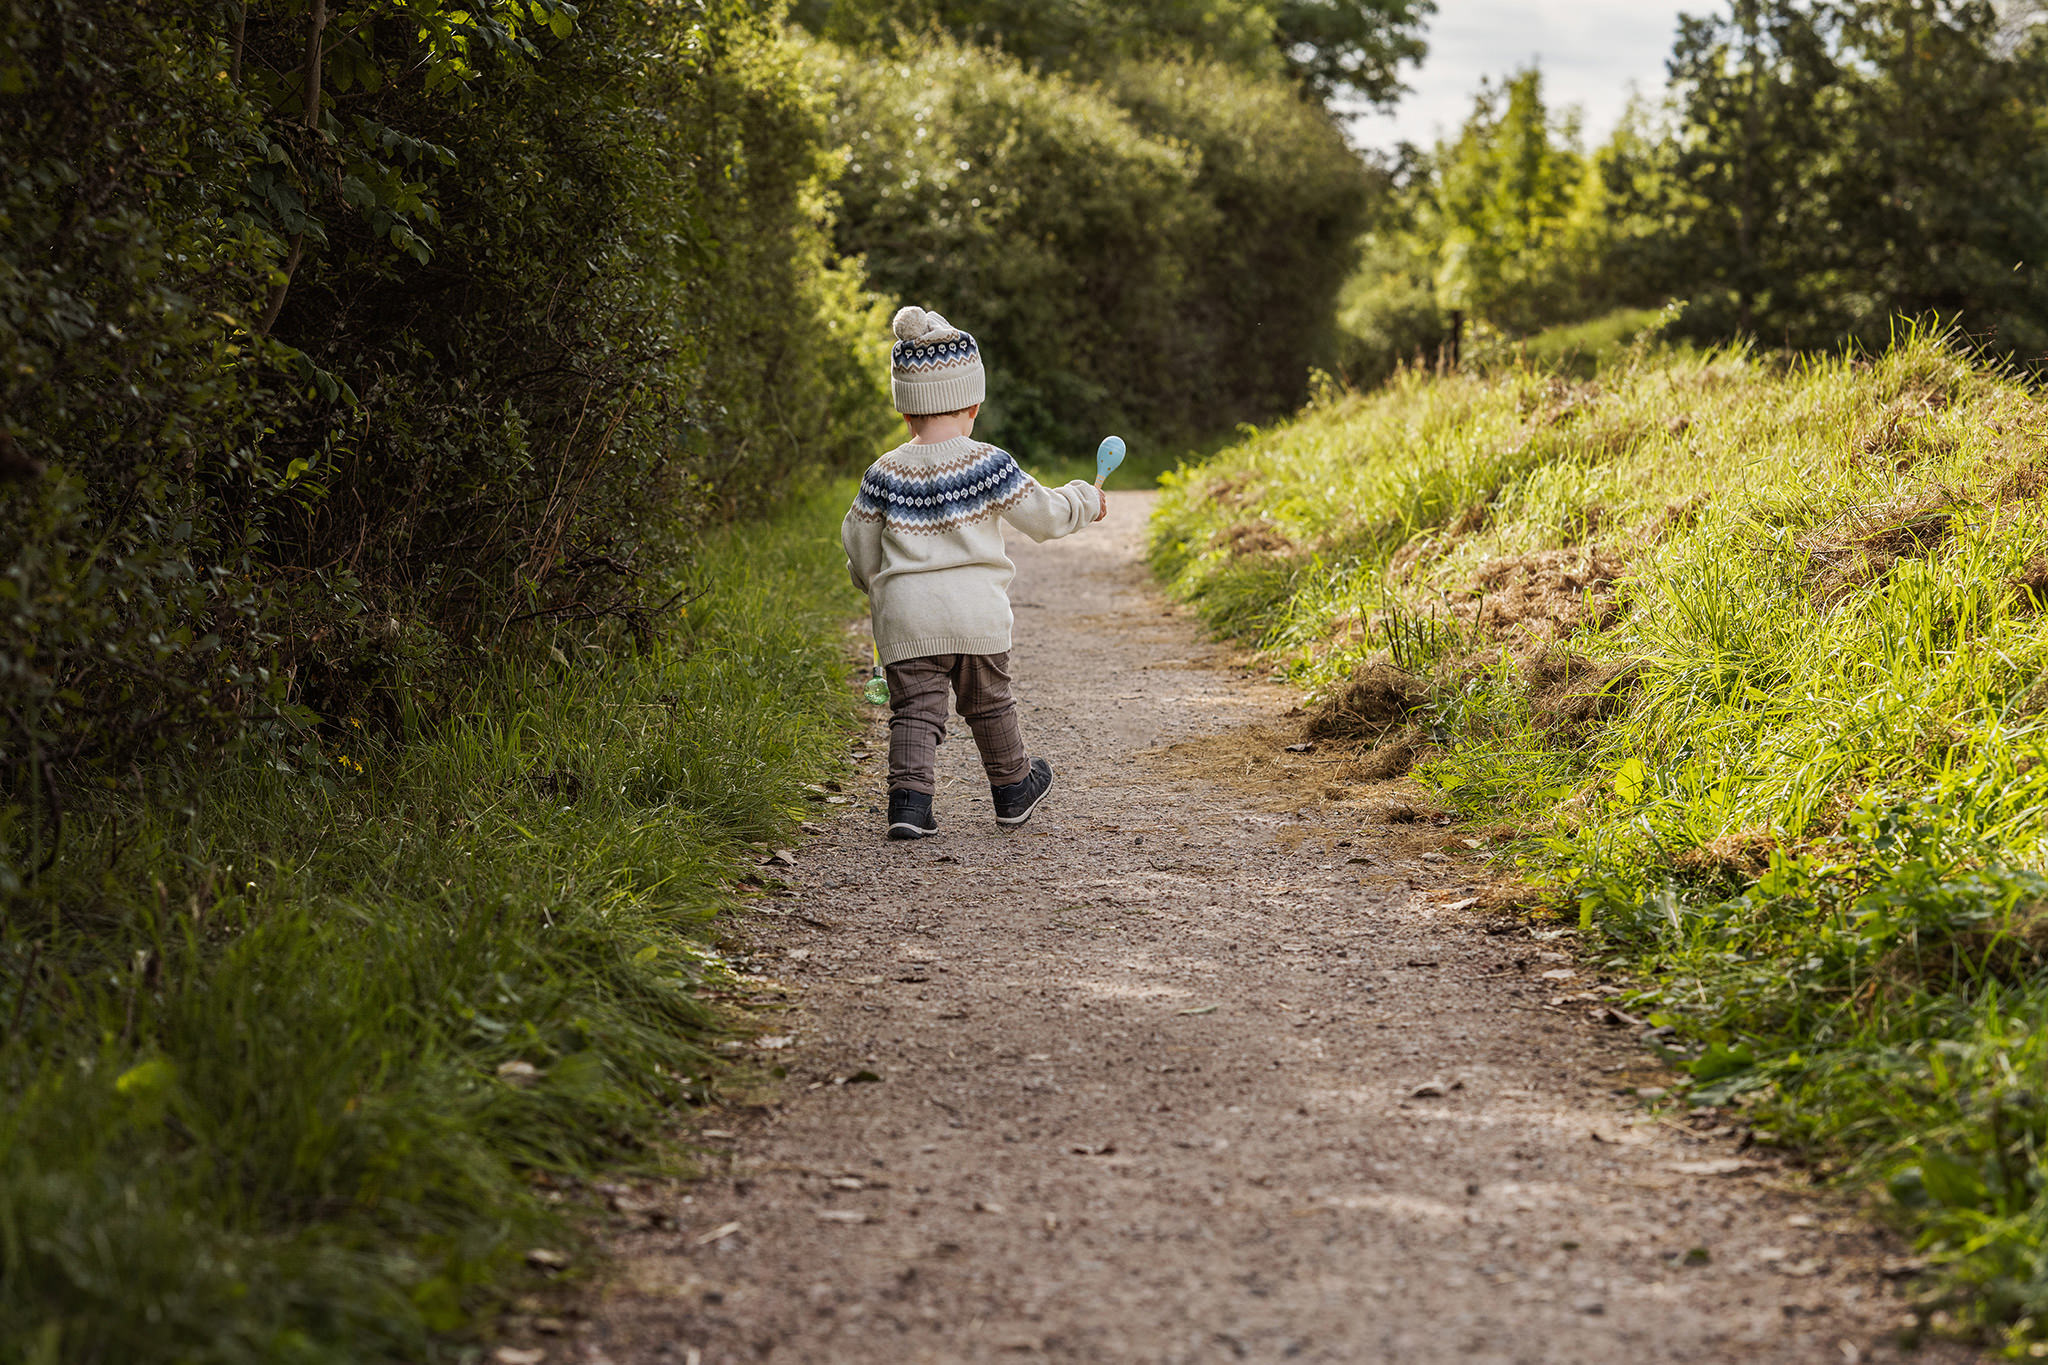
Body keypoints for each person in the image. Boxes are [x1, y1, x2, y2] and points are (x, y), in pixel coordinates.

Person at [843, 305, 1107, 840]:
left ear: (905, 411)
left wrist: (873, 584)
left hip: (908, 620)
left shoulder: (883, 473)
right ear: (973, 404)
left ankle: (910, 805)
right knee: (989, 703)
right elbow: (1046, 515)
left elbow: (859, 545)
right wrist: (1086, 498)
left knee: (915, 711)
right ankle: (1012, 789)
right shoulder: (988, 463)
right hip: (976, 617)